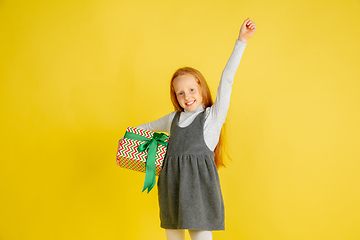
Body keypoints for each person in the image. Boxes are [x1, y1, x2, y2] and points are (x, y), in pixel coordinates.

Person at [135, 18, 256, 240]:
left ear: (201, 88)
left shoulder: (211, 118)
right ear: (175, 96)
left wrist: (241, 41)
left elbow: (227, 80)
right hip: (171, 191)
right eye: (180, 93)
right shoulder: (172, 119)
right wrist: (129, 137)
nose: (186, 96)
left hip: (199, 195)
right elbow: (145, 128)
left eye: (191, 89)